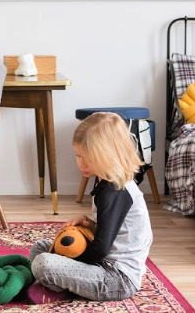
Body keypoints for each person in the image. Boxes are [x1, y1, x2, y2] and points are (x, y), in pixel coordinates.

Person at [27, 112, 153, 304]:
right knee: (40, 248)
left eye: (89, 158)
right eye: (78, 155)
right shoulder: (106, 178)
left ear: (109, 155)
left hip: (116, 279)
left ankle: (58, 288)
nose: (81, 163)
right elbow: (115, 231)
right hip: (103, 264)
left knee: (43, 263)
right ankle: (60, 283)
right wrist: (89, 222)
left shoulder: (114, 190)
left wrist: (71, 260)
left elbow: (101, 249)